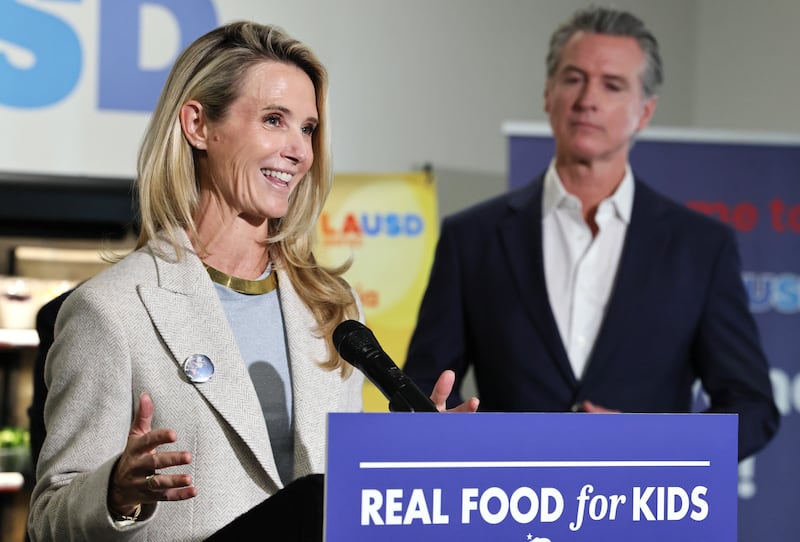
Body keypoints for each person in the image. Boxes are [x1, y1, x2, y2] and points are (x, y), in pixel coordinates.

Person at [27, 21, 476, 542]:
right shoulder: (112, 310)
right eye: (274, 120)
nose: (300, 151)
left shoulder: (332, 308)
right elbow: (48, 520)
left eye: (307, 129)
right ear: (198, 125)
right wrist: (115, 493)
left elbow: (334, 498)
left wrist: (412, 458)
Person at [403, 5, 779, 461]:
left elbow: (752, 407)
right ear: (548, 94)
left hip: (643, 499)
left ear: (645, 111)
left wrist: (652, 442)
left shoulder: (700, 247)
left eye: (612, 85)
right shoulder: (472, 238)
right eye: (573, 78)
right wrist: (444, 429)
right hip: (508, 495)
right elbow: (423, 386)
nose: (588, 99)